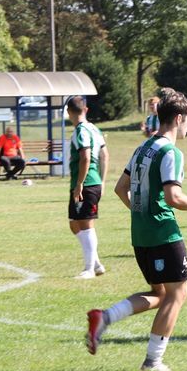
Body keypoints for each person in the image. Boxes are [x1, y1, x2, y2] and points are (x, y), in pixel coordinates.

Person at [86, 88, 187, 371]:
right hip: (163, 234)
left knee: (160, 292)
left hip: (140, 234)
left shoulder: (142, 148)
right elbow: (173, 197)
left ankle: (105, 317)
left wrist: (142, 214)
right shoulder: (171, 152)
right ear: (179, 118)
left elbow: (120, 189)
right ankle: (153, 361)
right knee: (177, 294)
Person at [67, 95, 109, 279]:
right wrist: (103, 180)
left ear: (68, 112)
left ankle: (89, 269)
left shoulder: (81, 131)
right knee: (74, 223)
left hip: (86, 183)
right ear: (86, 109)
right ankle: (97, 263)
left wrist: (80, 184)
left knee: (85, 224)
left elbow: (85, 157)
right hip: (93, 181)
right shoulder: (95, 129)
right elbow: (105, 155)